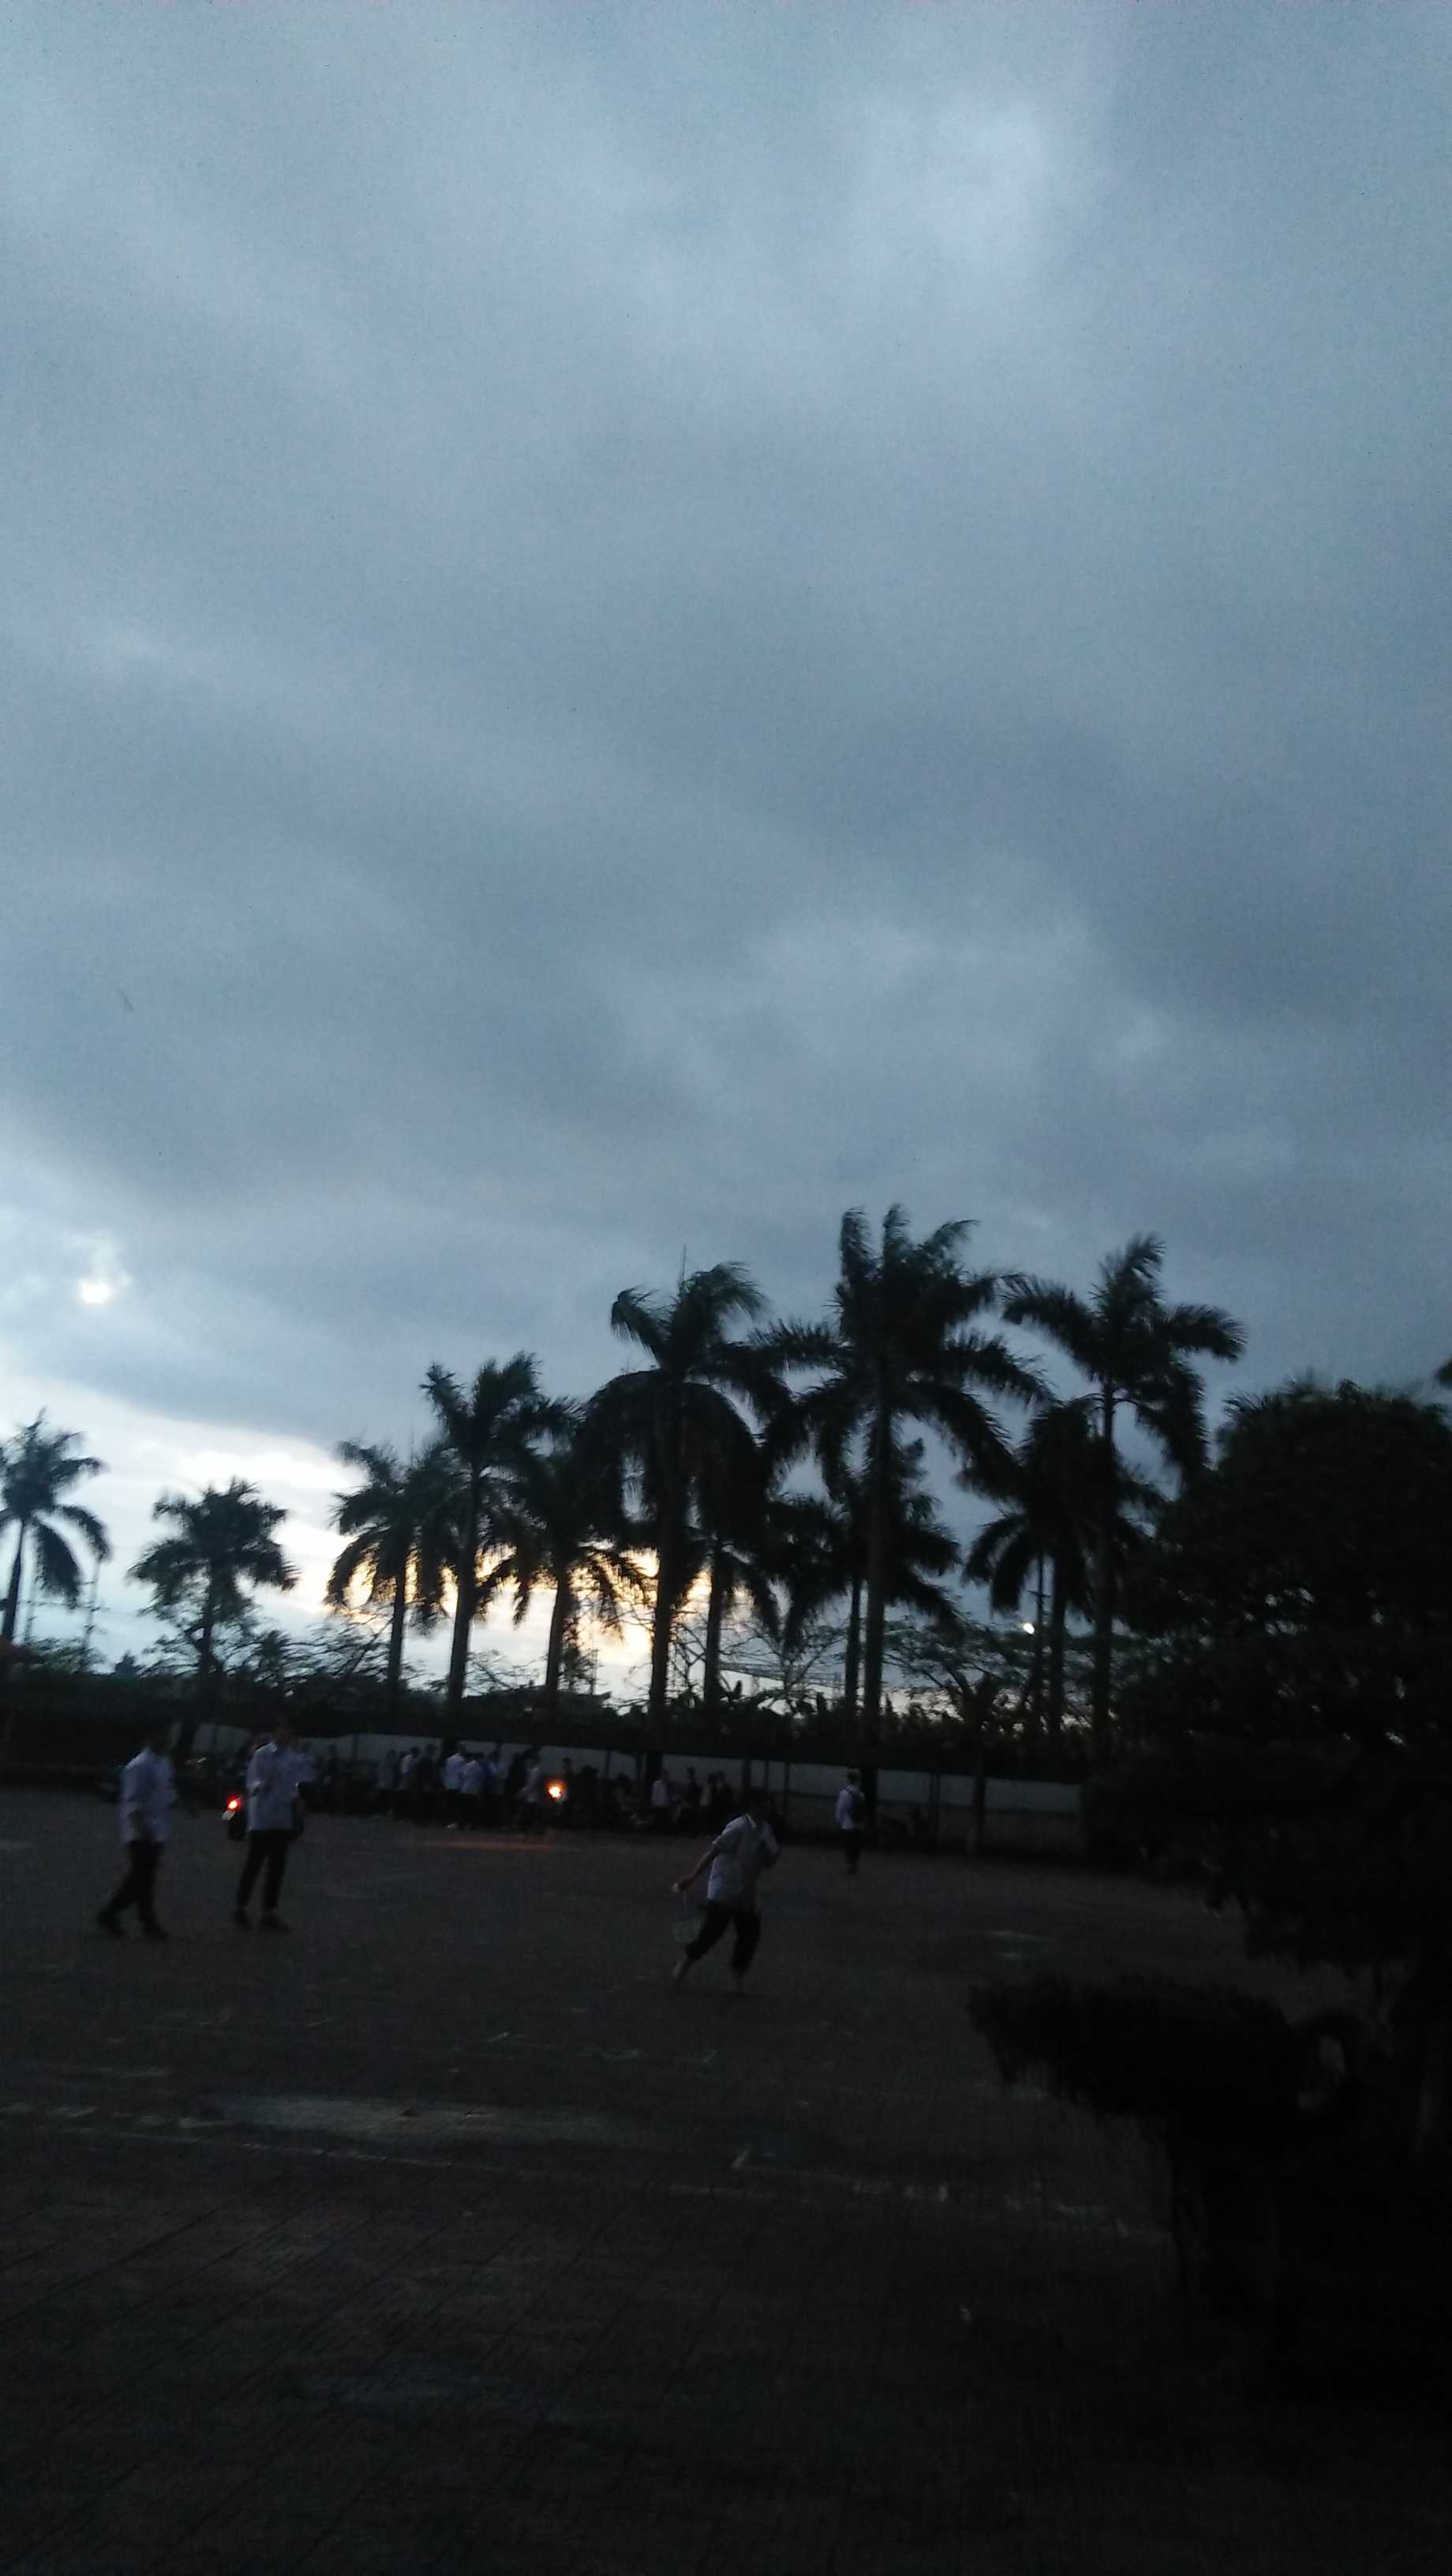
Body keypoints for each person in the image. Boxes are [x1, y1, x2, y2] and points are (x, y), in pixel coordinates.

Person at [671, 1788, 780, 1989]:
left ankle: (736, 1976)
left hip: (746, 1890)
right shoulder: (738, 1827)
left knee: (750, 1933)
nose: (769, 1807)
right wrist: (692, 1877)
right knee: (713, 1932)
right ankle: (686, 1960)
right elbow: (713, 1851)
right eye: (765, 1803)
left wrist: (768, 1855)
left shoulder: (766, 1830)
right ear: (753, 1805)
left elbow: (771, 1860)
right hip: (724, 1887)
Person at [96, 1722, 175, 1939]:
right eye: (163, 1736)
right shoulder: (139, 1766)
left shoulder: (164, 1762)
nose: (168, 1741)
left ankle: (110, 1913)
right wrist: (141, 1828)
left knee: (140, 1877)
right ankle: (148, 1922)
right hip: (140, 1830)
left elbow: (166, 1791)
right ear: (150, 1738)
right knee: (144, 1878)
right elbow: (133, 1802)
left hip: (156, 1828)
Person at [232, 1717, 305, 1930]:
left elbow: (292, 1785)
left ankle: (269, 1911)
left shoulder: (292, 1757)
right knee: (254, 1865)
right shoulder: (262, 1754)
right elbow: (252, 1782)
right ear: (275, 1733)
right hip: (262, 1817)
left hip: (281, 1818)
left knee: (277, 1868)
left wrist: (297, 1800)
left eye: (289, 1732)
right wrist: (263, 1785)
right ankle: (240, 1907)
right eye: (282, 1731)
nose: (286, 1735)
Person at [836, 1769, 866, 1874]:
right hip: (858, 1825)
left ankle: (850, 1864)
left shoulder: (844, 1793)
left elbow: (840, 1808)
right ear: (857, 1780)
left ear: (848, 1779)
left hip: (847, 1825)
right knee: (856, 1846)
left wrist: (839, 1820)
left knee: (848, 1846)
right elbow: (863, 1811)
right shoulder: (861, 1794)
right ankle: (854, 1863)